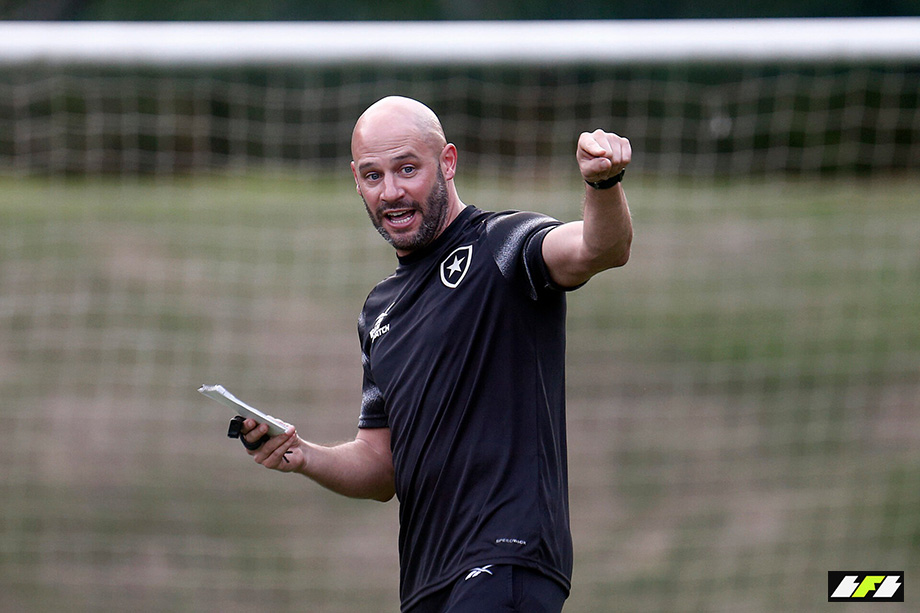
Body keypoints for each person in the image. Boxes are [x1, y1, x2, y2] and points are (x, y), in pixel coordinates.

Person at [236, 96, 633, 612]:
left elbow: (599, 249)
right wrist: (303, 455)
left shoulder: (501, 244)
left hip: (505, 559)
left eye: (407, 169)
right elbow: (380, 466)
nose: (391, 192)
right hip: (428, 582)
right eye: (373, 175)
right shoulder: (379, 312)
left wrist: (603, 184)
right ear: (356, 181)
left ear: (447, 162)